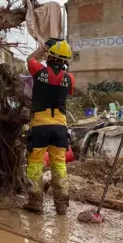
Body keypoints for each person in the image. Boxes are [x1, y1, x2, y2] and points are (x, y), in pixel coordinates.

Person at [24, 39, 75, 215]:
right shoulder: (70, 78)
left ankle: (35, 203)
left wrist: (41, 50)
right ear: (66, 60)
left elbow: (30, 59)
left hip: (40, 125)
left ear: (50, 56)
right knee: (59, 165)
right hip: (60, 127)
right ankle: (61, 206)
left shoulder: (39, 71)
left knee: (35, 164)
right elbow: (66, 90)